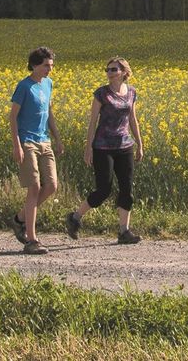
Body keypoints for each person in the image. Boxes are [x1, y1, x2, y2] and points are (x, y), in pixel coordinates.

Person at [66, 55, 142, 244]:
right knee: (103, 190)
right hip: (103, 147)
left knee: (127, 188)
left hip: (125, 146)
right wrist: (88, 148)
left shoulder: (131, 92)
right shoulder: (101, 94)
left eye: (113, 70)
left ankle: (124, 231)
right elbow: (92, 122)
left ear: (124, 72)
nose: (109, 73)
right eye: (107, 70)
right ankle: (75, 217)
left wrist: (140, 143)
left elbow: (133, 119)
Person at [9, 46, 60, 255]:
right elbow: (12, 117)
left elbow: (49, 112)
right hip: (28, 141)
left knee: (52, 186)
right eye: (46, 65)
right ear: (35, 65)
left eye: (51, 66)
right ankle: (31, 239)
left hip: (44, 141)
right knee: (34, 188)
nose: (49, 69)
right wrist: (17, 145)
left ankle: (20, 219)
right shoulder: (24, 86)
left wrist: (57, 138)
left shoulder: (48, 84)